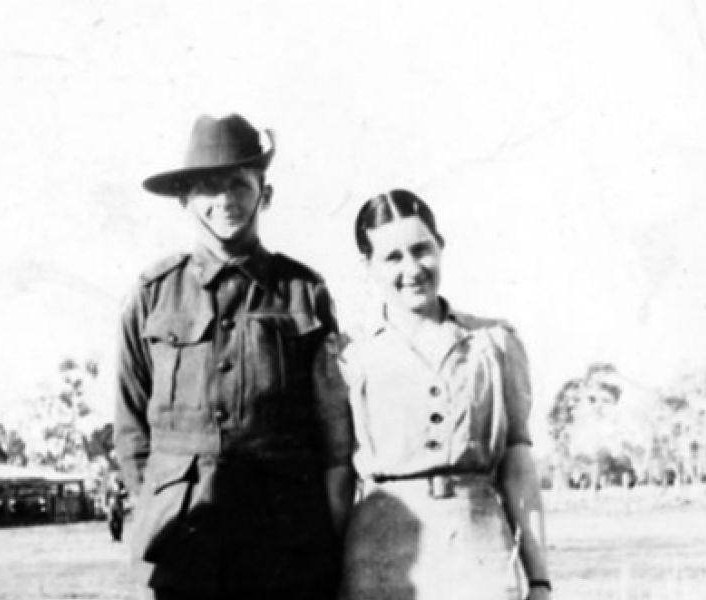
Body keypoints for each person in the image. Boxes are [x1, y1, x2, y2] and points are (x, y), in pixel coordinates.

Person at [114, 113, 355, 600]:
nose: (224, 200)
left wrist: (324, 543)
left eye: (239, 184)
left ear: (264, 194)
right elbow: (132, 429)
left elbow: (333, 437)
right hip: (183, 546)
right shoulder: (152, 296)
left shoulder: (304, 293)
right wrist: (160, 509)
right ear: (184, 198)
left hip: (285, 547)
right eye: (208, 186)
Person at [338, 190, 552, 600]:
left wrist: (539, 579)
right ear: (367, 266)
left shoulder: (494, 344)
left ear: (441, 247)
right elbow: (337, 476)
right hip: (380, 556)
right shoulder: (349, 356)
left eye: (422, 250)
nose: (412, 269)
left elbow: (518, 465)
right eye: (393, 257)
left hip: (481, 550)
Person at [106, 477, 128, 542]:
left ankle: (119, 537)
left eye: (116, 478)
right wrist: (106, 506)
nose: (115, 479)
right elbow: (107, 496)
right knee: (111, 522)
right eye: (113, 477)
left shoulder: (121, 485)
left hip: (119, 505)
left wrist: (123, 493)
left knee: (119, 521)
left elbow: (125, 494)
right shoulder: (109, 486)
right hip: (111, 506)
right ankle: (114, 537)